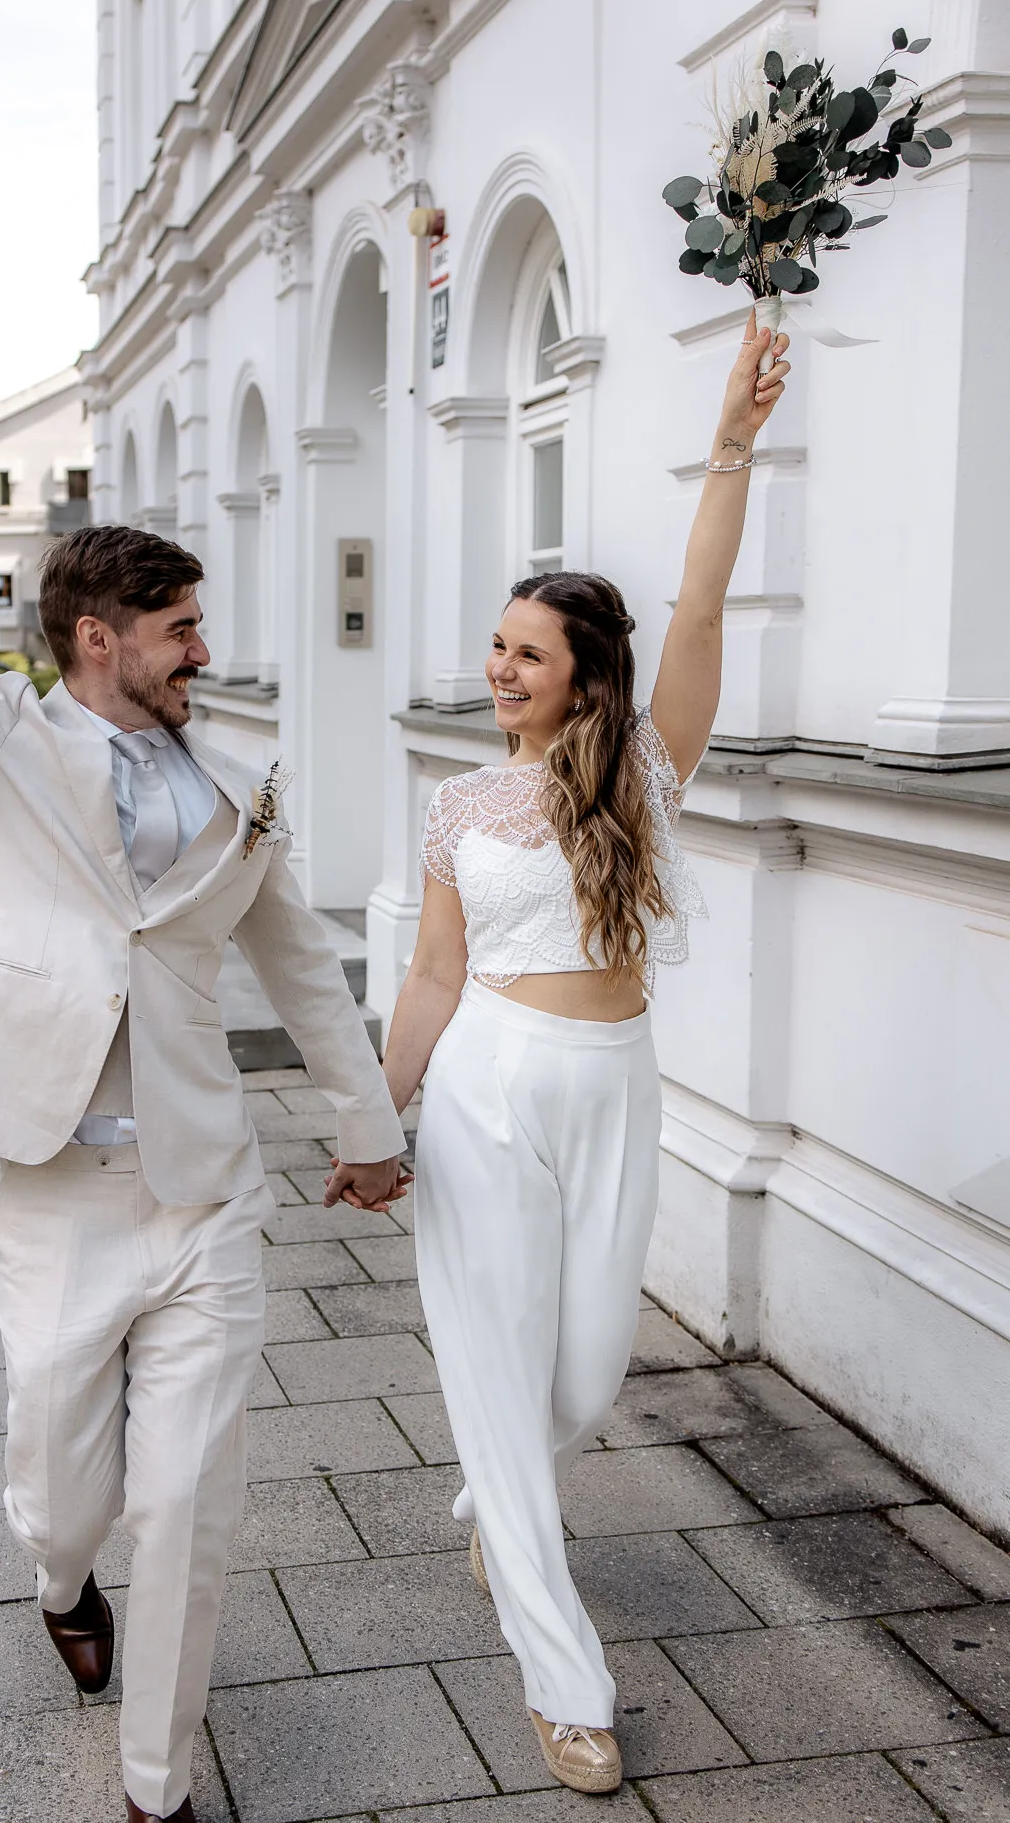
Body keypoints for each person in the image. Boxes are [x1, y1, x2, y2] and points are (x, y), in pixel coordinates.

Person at [0, 292, 406, 1823]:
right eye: (182, 628)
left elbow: (301, 968)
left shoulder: (244, 782)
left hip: (207, 1194)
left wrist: (368, 1120)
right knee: (64, 1487)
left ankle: (156, 1786)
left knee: (191, 1505)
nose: (206, 649)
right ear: (99, 639)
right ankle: (61, 1575)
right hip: (58, 1184)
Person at [327, 311, 792, 1795]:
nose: (498, 667)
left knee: (584, 1373)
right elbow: (429, 976)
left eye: (527, 651)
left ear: (587, 673)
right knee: (488, 1364)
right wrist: (375, 1118)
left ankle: (500, 1491)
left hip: (614, 1083)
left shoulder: (644, 776)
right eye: (495, 646)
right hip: (483, 1090)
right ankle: (566, 1683)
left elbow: (706, 614)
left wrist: (731, 449)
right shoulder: (459, 807)